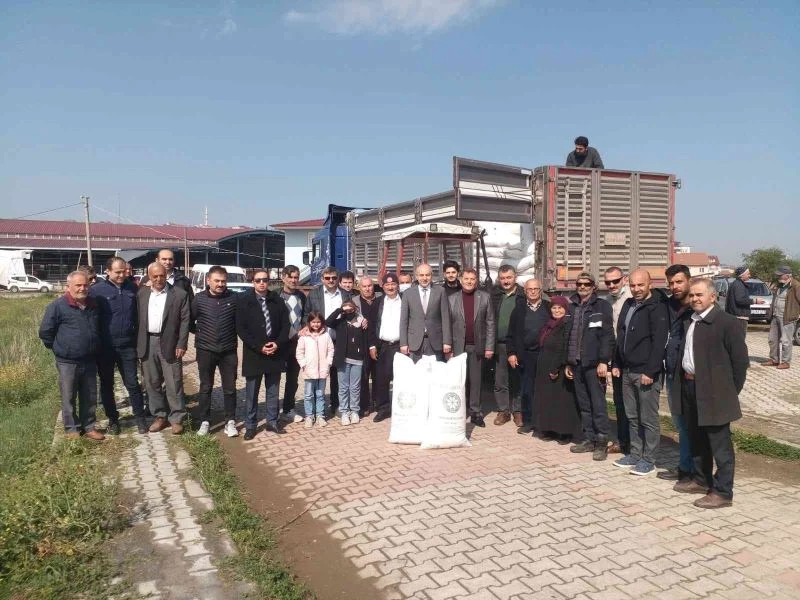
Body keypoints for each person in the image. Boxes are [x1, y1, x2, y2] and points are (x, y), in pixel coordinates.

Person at [673, 278, 749, 508]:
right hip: (690, 387)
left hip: (716, 393)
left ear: (713, 297)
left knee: (720, 445)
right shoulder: (690, 320)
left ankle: (723, 492)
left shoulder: (727, 323)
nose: (695, 299)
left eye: (700, 295)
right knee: (697, 439)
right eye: (692, 295)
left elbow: (740, 363)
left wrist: (729, 392)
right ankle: (700, 479)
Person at [612, 268, 669, 476]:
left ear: (649, 284)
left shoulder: (657, 307)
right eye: (633, 285)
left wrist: (651, 371)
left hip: (645, 373)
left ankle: (649, 459)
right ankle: (635, 454)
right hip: (627, 371)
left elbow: (659, 342)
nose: (636, 289)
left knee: (648, 418)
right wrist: (616, 363)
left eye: (640, 285)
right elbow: (621, 336)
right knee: (632, 416)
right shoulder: (629, 304)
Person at [39, 271, 104, 440]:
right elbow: (45, 331)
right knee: (68, 396)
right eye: (78, 285)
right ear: (68, 287)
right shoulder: (57, 306)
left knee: (89, 396)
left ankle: (89, 427)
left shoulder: (93, 304)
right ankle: (72, 429)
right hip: (67, 361)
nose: (82, 288)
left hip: (89, 359)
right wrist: (59, 348)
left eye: (85, 285)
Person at [92, 256, 147, 434]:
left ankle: (140, 418)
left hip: (127, 346)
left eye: (124, 271)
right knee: (107, 385)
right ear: (107, 271)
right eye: (117, 272)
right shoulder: (97, 291)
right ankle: (113, 420)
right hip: (105, 347)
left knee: (132, 383)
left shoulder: (132, 288)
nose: (122, 275)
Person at [137, 263, 190, 435]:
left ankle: (177, 418)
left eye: (162, 275)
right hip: (148, 342)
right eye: (155, 276)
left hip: (170, 343)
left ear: (166, 275)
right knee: (152, 382)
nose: (159, 279)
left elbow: (185, 321)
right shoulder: (142, 293)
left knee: (174, 382)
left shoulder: (179, 294)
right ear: (149, 277)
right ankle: (160, 416)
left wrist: (182, 344)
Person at [236, 269, 290, 439]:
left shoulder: (277, 300)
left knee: (273, 391)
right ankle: (251, 425)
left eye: (265, 280)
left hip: (275, 352)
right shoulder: (244, 301)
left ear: (269, 282)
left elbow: (286, 325)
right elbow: (241, 329)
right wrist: (259, 347)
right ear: (253, 282)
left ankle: (272, 422)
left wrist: (278, 343)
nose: (261, 283)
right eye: (258, 280)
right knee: (252, 393)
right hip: (254, 354)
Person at [565, 272, 614, 461]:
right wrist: (568, 362)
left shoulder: (601, 306)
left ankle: (601, 442)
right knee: (584, 404)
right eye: (579, 284)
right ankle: (589, 438)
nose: (583, 287)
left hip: (594, 364)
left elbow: (607, 336)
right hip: (576, 364)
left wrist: (604, 361)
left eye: (587, 284)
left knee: (598, 404)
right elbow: (568, 335)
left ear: (594, 286)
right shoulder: (572, 307)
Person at [191, 266, 239, 437]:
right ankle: (204, 421)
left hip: (228, 350)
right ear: (208, 280)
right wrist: (202, 334)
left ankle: (230, 421)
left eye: (223, 281)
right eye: (217, 281)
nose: (220, 284)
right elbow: (190, 321)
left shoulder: (234, 298)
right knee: (206, 387)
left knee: (230, 388)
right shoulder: (199, 299)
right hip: (205, 350)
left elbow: (240, 322)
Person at [658, 264, 695, 482]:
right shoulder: (669, 304)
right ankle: (685, 467)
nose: (675, 287)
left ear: (689, 280)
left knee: (692, 424)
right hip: (672, 373)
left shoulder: (697, 306)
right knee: (681, 424)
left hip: (690, 376)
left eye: (679, 282)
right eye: (671, 283)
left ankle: (693, 471)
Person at [449, 268, 495, 427]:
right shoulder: (452, 299)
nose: (469, 281)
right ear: (461, 280)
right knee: (459, 381)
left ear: (476, 281)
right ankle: (459, 410)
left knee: (476, 381)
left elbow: (490, 323)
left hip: (477, 346)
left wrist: (489, 347)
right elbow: (448, 324)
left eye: (472, 279)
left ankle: (476, 412)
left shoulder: (485, 297)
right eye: (466, 278)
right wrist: (448, 347)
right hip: (458, 347)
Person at [532, 296, 579, 442]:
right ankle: (549, 429)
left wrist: (555, 368)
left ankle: (564, 432)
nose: (557, 310)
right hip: (545, 365)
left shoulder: (566, 324)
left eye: (560, 308)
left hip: (558, 366)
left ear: (565, 309)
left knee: (561, 401)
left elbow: (562, 347)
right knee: (547, 399)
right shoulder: (549, 324)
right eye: (554, 307)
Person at [507, 277, 550, 432]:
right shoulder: (518, 309)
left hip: (544, 355)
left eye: (535, 289)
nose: (532, 292)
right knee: (526, 390)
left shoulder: (549, 307)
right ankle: (529, 421)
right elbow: (511, 334)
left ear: (540, 290)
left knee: (544, 390)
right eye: (529, 289)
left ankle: (544, 423)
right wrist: (511, 353)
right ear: (525, 291)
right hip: (525, 355)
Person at [308, 267, 352, 417]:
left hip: (339, 339)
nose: (331, 280)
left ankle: (336, 405)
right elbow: (307, 314)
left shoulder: (345, 294)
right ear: (322, 279)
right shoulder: (314, 294)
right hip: (319, 339)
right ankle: (315, 408)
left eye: (333, 278)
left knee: (337, 374)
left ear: (338, 279)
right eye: (327, 278)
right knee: (317, 373)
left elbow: (351, 314)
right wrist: (307, 330)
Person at [491, 265, 526, 427]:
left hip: (518, 345)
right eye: (503, 278)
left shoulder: (523, 295)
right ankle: (503, 411)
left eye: (509, 277)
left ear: (515, 277)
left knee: (517, 379)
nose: (506, 281)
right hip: (499, 344)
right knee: (500, 380)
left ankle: (517, 411)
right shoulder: (495, 295)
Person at [326, 300, 368, 425]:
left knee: (355, 387)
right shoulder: (340, 322)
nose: (349, 312)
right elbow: (328, 322)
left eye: (351, 310)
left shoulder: (362, 323)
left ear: (355, 309)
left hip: (358, 360)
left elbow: (366, 340)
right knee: (343, 387)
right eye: (346, 310)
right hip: (342, 360)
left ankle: (354, 411)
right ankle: (344, 411)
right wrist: (340, 310)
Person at [604, 266, 632, 454]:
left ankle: (636, 443)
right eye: (608, 282)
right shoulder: (607, 301)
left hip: (631, 357)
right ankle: (623, 441)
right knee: (619, 401)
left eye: (615, 281)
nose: (612, 285)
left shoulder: (631, 299)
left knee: (633, 403)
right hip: (615, 358)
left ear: (624, 279)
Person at [400, 263, 452, 362]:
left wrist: (447, 342)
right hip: (415, 342)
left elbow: (445, 318)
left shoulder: (440, 291)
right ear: (416, 276)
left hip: (436, 341)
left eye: (427, 275)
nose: (424, 278)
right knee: (416, 371)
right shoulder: (408, 294)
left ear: (431, 276)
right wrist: (403, 343)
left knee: (435, 370)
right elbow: (404, 320)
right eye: (421, 275)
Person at [370, 273, 402, 423]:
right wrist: (372, 346)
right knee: (382, 379)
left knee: (401, 378)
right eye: (387, 284)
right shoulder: (378, 302)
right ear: (382, 287)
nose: (390, 287)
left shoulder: (405, 300)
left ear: (398, 285)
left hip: (401, 345)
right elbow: (372, 325)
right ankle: (384, 409)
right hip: (382, 345)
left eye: (393, 284)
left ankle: (401, 408)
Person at [278, 265, 309, 422]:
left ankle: (288, 409)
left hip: (296, 343)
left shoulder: (301, 296)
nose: (293, 280)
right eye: (290, 277)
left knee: (292, 378)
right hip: (279, 343)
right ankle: (272, 411)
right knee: (274, 378)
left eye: (296, 277)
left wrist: (304, 327)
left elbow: (305, 316)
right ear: (283, 277)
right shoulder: (276, 296)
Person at [296, 311, 334, 428]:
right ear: (309, 322)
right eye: (313, 322)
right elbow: (299, 352)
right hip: (309, 370)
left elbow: (331, 350)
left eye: (318, 322)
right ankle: (309, 416)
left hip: (322, 370)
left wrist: (328, 363)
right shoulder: (304, 337)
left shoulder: (326, 335)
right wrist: (304, 364)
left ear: (321, 323)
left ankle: (320, 415)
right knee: (308, 395)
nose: (316, 324)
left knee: (320, 394)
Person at [353, 276, 380, 416]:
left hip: (380, 342)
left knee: (379, 375)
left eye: (370, 285)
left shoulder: (381, 298)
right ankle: (364, 405)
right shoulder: (354, 302)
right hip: (362, 343)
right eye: (364, 286)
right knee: (364, 375)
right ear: (359, 288)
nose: (367, 288)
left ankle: (378, 402)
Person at [765, 266, 800, 369]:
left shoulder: (796, 286)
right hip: (775, 316)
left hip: (788, 318)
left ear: (788, 275)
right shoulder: (779, 285)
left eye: (780, 275)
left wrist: (796, 314)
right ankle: (774, 359)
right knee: (772, 339)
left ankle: (785, 362)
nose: (778, 276)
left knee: (786, 341)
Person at [724, 266, 751, 335]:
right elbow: (740, 300)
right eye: (748, 274)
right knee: (739, 338)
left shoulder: (736, 283)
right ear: (742, 275)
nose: (749, 275)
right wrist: (754, 301)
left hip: (736, 316)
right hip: (739, 317)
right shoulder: (739, 285)